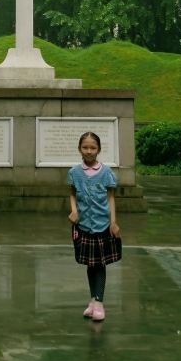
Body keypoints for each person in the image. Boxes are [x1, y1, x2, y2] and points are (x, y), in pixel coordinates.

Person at [67, 131, 121, 322]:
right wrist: (74, 211)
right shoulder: (73, 172)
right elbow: (72, 193)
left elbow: (111, 198)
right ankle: (93, 300)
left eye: (93, 147)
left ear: (99, 150)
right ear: (79, 149)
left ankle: (99, 302)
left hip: (102, 225)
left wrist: (113, 222)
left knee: (100, 263)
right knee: (90, 264)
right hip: (83, 225)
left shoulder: (106, 173)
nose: (89, 151)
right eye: (85, 147)